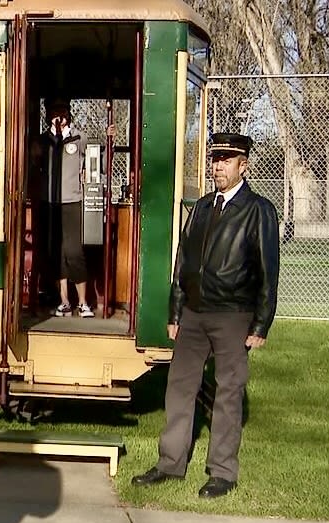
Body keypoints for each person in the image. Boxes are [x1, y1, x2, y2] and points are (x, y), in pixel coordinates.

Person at [131, 132, 279, 499]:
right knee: (180, 389)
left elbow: (268, 271)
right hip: (194, 315)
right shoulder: (200, 206)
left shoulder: (259, 210)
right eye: (215, 160)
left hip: (233, 315)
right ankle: (170, 464)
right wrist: (175, 311)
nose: (218, 166)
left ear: (243, 165)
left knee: (228, 394)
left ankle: (222, 472)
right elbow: (184, 263)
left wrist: (261, 324)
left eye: (226, 160)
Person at [39, 98, 93, 318]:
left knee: (74, 252)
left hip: (72, 201)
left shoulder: (79, 138)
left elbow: (95, 159)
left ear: (68, 114)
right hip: (50, 202)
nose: (58, 116)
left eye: (61, 111)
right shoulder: (44, 140)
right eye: (54, 111)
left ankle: (83, 302)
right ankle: (64, 301)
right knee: (57, 253)